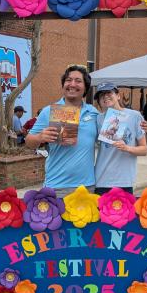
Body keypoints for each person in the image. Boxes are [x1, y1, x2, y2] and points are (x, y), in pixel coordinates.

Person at [25, 65, 98, 198]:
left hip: (87, 187)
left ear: (86, 87)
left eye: (78, 81)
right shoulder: (48, 111)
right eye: (68, 80)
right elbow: (29, 142)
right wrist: (40, 137)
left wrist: (140, 125)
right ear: (63, 84)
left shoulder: (93, 113)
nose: (72, 84)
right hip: (58, 187)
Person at [94, 83, 147, 195]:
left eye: (109, 93)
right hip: (101, 179)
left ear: (118, 95)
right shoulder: (97, 119)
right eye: (101, 95)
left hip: (124, 180)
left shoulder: (135, 116)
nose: (105, 96)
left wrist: (127, 148)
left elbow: (144, 150)